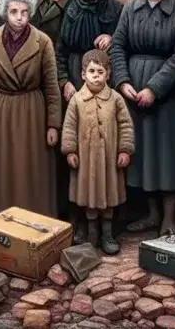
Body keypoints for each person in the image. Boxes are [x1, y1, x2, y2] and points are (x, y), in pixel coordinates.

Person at [110, 0, 175, 236]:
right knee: (143, 154)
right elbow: (119, 46)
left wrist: (154, 88)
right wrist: (123, 82)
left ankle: (169, 216)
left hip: (165, 94)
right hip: (134, 91)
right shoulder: (131, 9)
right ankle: (151, 213)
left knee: (167, 153)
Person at [0, 0, 61, 221]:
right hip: (0, 111)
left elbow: (51, 87)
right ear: (5, 12)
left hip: (32, 112)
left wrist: (53, 125)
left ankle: (36, 227)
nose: (19, 17)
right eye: (14, 11)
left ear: (30, 13)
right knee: (0, 172)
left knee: (32, 172)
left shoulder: (42, 42)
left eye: (24, 11)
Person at [61, 50, 134, 255]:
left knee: (108, 196)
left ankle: (107, 234)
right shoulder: (76, 100)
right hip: (85, 161)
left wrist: (125, 150)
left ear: (108, 74)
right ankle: (92, 234)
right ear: (83, 74)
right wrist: (70, 151)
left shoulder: (116, 99)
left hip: (109, 161)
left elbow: (126, 126)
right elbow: (69, 127)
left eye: (100, 71)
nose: (96, 75)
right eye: (91, 71)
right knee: (89, 196)